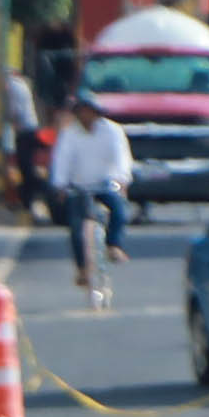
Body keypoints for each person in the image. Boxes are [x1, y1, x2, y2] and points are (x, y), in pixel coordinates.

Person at [48, 92, 133, 284]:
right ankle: (82, 269)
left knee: (120, 210)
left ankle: (114, 245)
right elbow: (62, 160)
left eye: (89, 112)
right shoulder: (70, 134)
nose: (85, 117)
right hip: (79, 186)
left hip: (106, 183)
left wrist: (122, 179)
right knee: (77, 227)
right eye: (81, 112)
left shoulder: (112, 131)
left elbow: (121, 157)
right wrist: (60, 185)